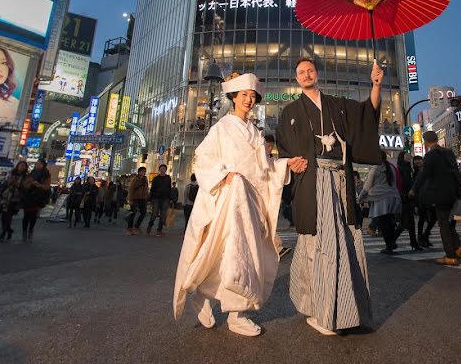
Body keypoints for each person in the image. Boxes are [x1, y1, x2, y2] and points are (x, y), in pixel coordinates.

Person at [174, 73, 296, 337]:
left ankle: (216, 303)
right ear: (233, 98)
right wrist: (224, 175)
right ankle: (226, 308)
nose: (249, 100)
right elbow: (203, 157)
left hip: (250, 202)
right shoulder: (222, 128)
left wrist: (286, 164)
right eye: (244, 96)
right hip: (228, 197)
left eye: (252, 96)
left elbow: (264, 169)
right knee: (227, 253)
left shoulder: (255, 132)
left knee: (242, 256)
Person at [276, 57, 383, 335]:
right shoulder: (290, 111)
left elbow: (366, 115)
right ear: (296, 78)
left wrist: (375, 85)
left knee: (345, 243)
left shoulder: (337, 104)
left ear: (317, 74)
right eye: (301, 72)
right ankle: (319, 310)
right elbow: (284, 151)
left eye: (310, 70)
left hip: (339, 180)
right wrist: (289, 163)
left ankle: (346, 310)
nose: (307, 74)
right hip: (312, 183)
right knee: (316, 247)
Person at [411, 132, 461, 266]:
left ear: (426, 141)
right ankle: (458, 247)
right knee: (447, 220)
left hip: (440, 193)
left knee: (443, 223)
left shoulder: (430, 155)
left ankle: (450, 255)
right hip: (453, 192)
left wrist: (414, 189)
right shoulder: (448, 153)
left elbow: (425, 174)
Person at [359, 153, 401, 254]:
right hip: (393, 197)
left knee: (384, 223)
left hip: (380, 198)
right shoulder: (391, 167)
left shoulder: (375, 169)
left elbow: (367, 186)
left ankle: (389, 245)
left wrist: (360, 198)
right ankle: (391, 243)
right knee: (390, 222)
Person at [394, 151, 421, 250]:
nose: (409, 157)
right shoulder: (400, 169)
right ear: (402, 157)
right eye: (406, 155)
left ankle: (413, 243)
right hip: (403, 197)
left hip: (409, 197)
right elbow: (399, 184)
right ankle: (392, 242)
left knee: (409, 222)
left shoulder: (409, 169)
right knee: (405, 222)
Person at [20, 161, 51, 241]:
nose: (37, 165)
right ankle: (24, 231)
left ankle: (30, 230)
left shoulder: (46, 175)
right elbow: (25, 184)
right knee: (26, 216)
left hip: (38, 197)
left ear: (43, 165)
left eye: (40, 164)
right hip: (29, 196)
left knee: (33, 216)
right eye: (37, 164)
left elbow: (47, 187)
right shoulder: (31, 173)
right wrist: (31, 183)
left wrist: (39, 185)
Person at [147, 165, 171, 236]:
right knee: (154, 214)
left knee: (163, 215)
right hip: (156, 198)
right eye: (161, 168)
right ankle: (150, 226)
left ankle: (159, 230)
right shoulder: (156, 178)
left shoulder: (168, 178)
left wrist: (170, 198)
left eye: (164, 169)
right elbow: (152, 189)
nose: (162, 170)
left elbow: (169, 188)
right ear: (159, 170)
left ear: (166, 170)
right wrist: (150, 199)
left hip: (165, 198)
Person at [126, 167, 149, 235]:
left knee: (144, 212)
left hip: (143, 198)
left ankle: (136, 226)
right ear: (139, 172)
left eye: (144, 171)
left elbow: (146, 188)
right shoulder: (135, 179)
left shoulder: (145, 179)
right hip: (135, 198)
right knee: (133, 213)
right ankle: (129, 228)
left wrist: (146, 196)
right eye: (142, 171)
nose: (143, 173)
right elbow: (131, 189)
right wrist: (130, 199)